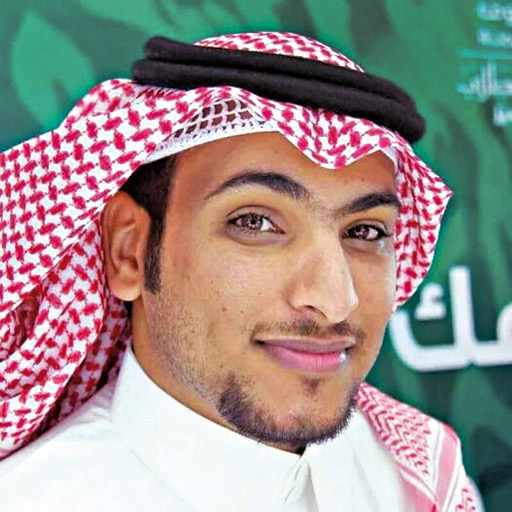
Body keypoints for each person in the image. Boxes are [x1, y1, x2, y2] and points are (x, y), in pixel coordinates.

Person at [0, 31, 478, 511]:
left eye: (366, 231)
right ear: (129, 252)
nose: (335, 300)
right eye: (255, 223)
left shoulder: (423, 472)